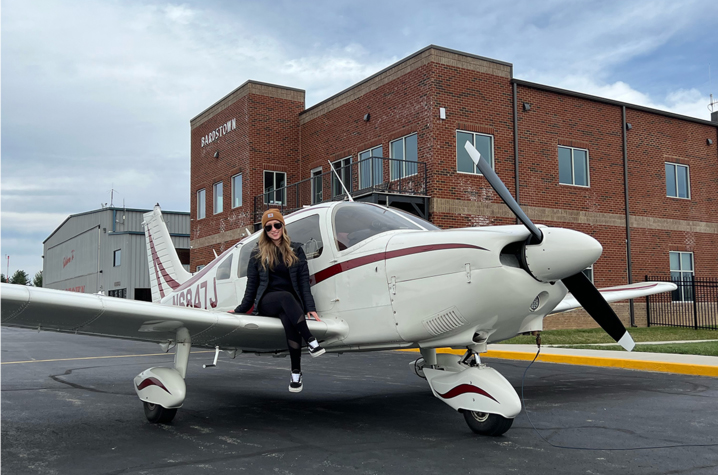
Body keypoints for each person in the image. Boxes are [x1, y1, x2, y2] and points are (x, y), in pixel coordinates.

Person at [230, 209, 325, 393]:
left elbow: (304, 282)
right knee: (284, 297)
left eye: (277, 225)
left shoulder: (296, 250)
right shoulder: (257, 254)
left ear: (283, 226)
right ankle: (311, 340)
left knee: (290, 323)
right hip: (268, 301)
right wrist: (241, 309)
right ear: (265, 231)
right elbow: (252, 286)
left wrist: (310, 307)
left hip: (289, 304)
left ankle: (296, 374)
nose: (274, 229)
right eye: (269, 227)